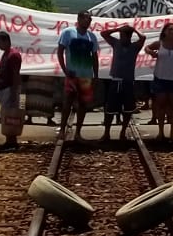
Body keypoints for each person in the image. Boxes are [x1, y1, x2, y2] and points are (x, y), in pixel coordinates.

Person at [57, 11, 100, 140]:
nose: (89, 21)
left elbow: (95, 57)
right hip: (72, 75)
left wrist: (96, 75)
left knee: (83, 104)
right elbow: (60, 52)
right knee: (67, 102)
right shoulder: (68, 33)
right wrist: (65, 70)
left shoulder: (92, 37)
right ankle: (62, 130)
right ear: (79, 19)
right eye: (87, 18)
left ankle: (78, 133)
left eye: (90, 19)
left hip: (86, 76)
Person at [101, 24, 145, 141]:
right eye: (120, 35)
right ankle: (106, 133)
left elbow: (143, 37)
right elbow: (104, 33)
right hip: (116, 80)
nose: (121, 37)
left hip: (128, 81)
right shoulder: (116, 43)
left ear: (129, 37)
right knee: (110, 109)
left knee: (128, 109)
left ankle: (123, 132)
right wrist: (117, 29)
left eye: (123, 35)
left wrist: (134, 29)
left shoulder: (134, 47)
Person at [0, 32, 24, 150]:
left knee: (11, 115)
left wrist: (14, 91)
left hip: (10, 88)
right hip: (4, 87)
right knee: (7, 114)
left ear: (5, 41)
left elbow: (15, 74)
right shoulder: (6, 54)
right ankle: (9, 140)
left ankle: (12, 140)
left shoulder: (13, 55)